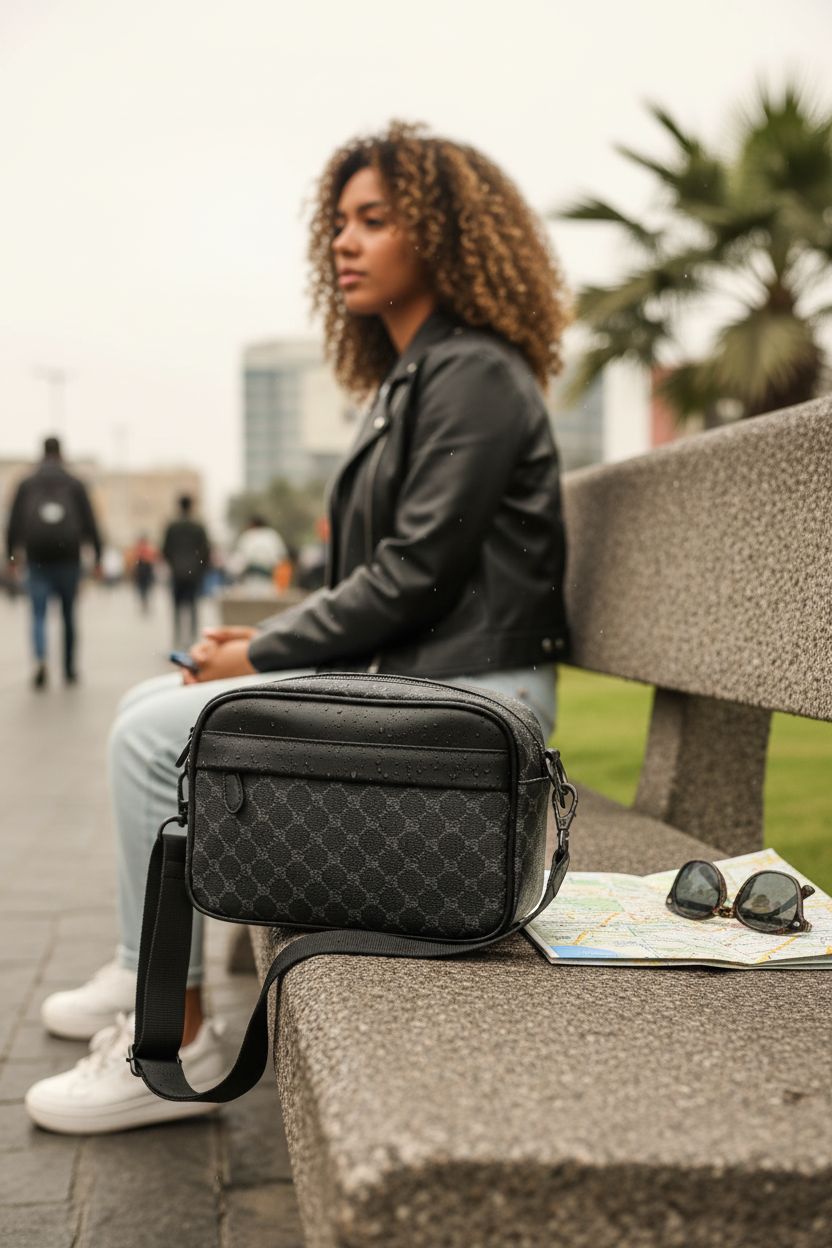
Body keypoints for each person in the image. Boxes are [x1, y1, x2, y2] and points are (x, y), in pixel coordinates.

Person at [25, 120, 571, 1134]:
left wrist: (263, 648)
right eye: (338, 224)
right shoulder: (416, 379)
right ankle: (142, 963)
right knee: (156, 700)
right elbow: (380, 572)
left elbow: (411, 573)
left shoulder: (474, 376)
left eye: (374, 221)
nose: (344, 243)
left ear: (444, 235)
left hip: (474, 700)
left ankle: (168, 1040)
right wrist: (258, 647)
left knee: (156, 734)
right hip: (428, 683)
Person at [5, 436, 102, 688]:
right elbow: (90, 521)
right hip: (68, 556)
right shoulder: (74, 483)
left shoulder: (27, 483)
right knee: (69, 614)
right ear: (61, 453)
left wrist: (11, 557)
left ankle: (40, 660)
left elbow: (13, 521)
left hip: (37, 557)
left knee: (38, 613)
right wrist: (98, 555)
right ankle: (69, 668)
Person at [161, 494, 210, 648]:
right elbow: (205, 551)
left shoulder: (172, 526)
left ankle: (177, 638)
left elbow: (165, 550)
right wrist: (201, 568)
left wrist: (174, 564)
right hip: (194, 573)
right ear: (191, 506)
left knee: (176, 606)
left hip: (177, 572)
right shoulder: (198, 527)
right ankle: (193, 639)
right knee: (193, 605)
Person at [229, 514, 288, 587]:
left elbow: (239, 561)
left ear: (253, 524)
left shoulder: (248, 535)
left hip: (252, 578)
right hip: (270, 579)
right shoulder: (272, 535)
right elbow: (281, 558)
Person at [128, 534, 158, 612]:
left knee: (145, 588)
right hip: (143, 570)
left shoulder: (143, 549)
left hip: (144, 570)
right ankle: (144, 602)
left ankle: (145, 602)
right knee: (143, 588)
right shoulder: (143, 549)